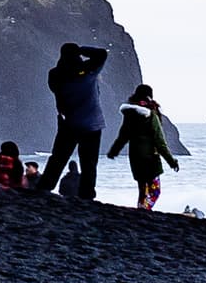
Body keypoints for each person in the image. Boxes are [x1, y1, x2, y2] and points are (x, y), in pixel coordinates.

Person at [39, 41, 110, 200]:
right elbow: (102, 54)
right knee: (89, 163)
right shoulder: (88, 71)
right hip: (92, 124)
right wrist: (82, 50)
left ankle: (45, 186)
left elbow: (55, 87)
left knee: (58, 158)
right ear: (77, 55)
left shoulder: (55, 75)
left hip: (68, 123)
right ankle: (87, 194)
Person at [105, 82, 186, 208]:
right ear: (149, 97)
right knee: (155, 191)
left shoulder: (130, 116)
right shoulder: (151, 115)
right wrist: (172, 162)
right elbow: (160, 142)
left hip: (135, 158)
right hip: (150, 159)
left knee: (142, 190)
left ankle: (140, 209)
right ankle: (144, 209)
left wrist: (113, 151)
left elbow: (122, 137)